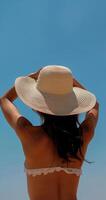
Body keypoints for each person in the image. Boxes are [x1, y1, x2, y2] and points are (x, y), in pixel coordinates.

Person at [0, 65, 99, 200]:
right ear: (72, 105)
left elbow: (5, 100)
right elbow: (94, 105)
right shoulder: (83, 135)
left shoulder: (28, 133)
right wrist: (70, 82)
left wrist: (34, 76)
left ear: (38, 106)